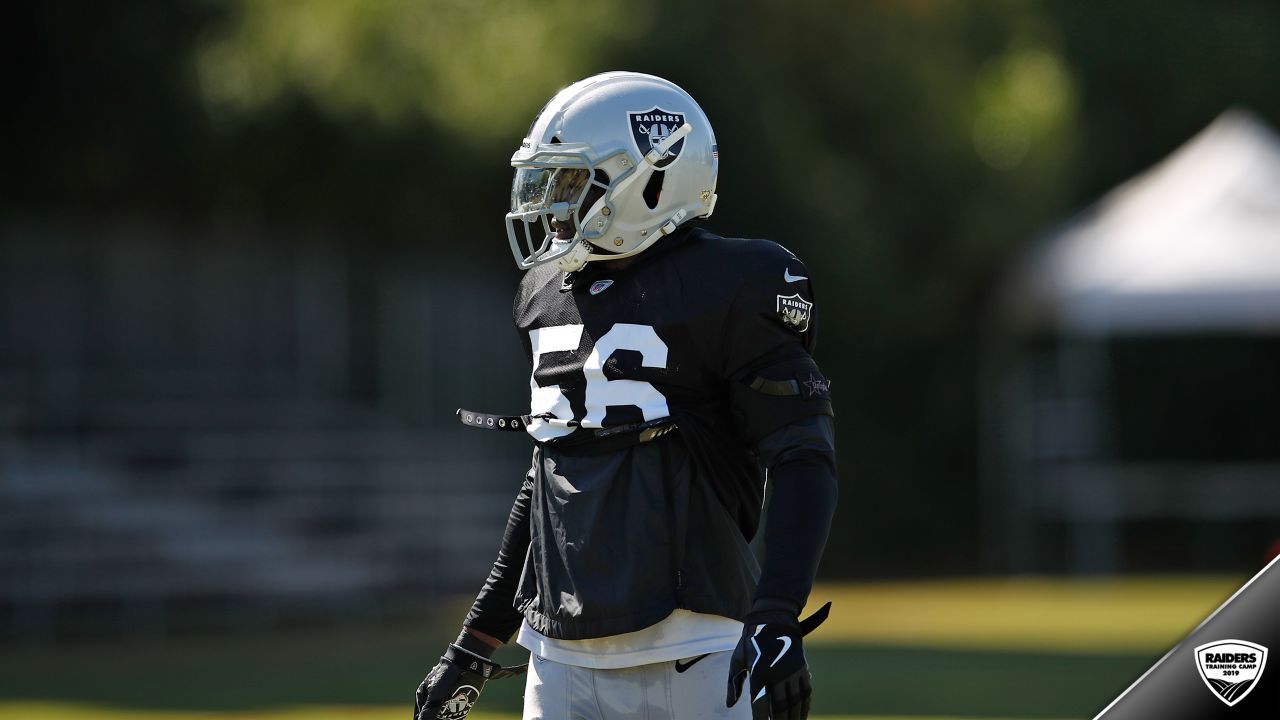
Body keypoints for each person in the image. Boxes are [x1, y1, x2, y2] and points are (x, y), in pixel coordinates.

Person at [415, 71, 839, 720]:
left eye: (570, 180)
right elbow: (549, 474)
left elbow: (803, 455)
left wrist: (778, 612)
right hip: (556, 655)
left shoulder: (733, 282)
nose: (550, 202)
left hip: (698, 648)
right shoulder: (547, 292)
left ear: (650, 178)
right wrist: (476, 642)